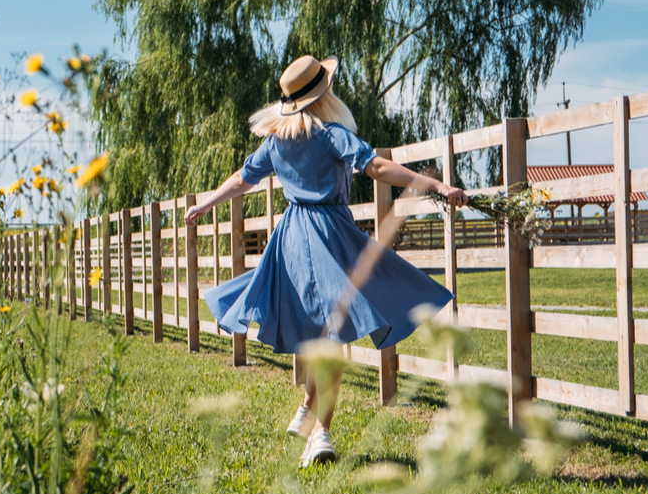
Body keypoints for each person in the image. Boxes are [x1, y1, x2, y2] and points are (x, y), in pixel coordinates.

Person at [183, 55, 469, 467]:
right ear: (324, 94)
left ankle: (308, 406)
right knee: (334, 334)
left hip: (291, 237)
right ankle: (321, 434)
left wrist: (205, 204)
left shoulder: (277, 140)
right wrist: (436, 184)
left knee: (325, 330)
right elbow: (378, 167)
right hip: (330, 236)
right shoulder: (330, 134)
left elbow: (242, 179)